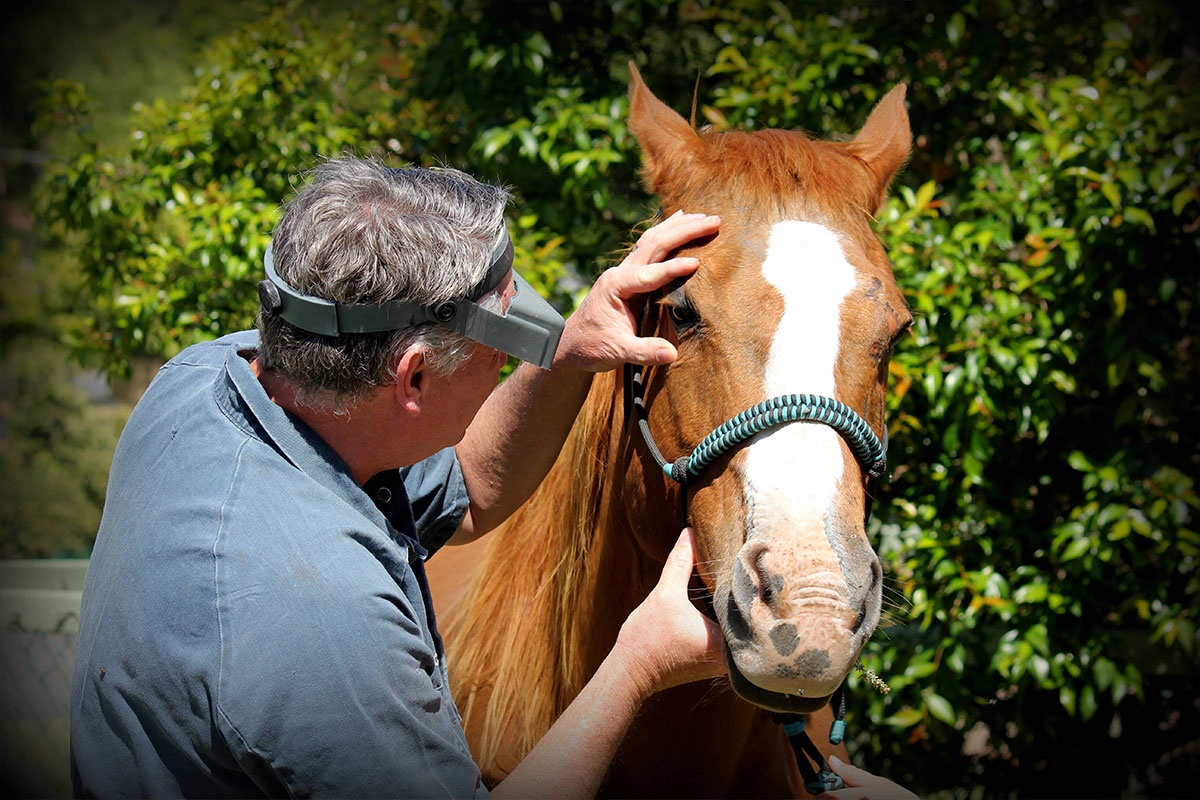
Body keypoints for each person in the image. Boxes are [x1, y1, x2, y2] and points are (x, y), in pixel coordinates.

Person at [69, 156, 726, 798]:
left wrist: (565, 354)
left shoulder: (204, 379)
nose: (517, 351)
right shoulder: (322, 618)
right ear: (413, 375)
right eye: (504, 338)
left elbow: (469, 487)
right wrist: (637, 664)